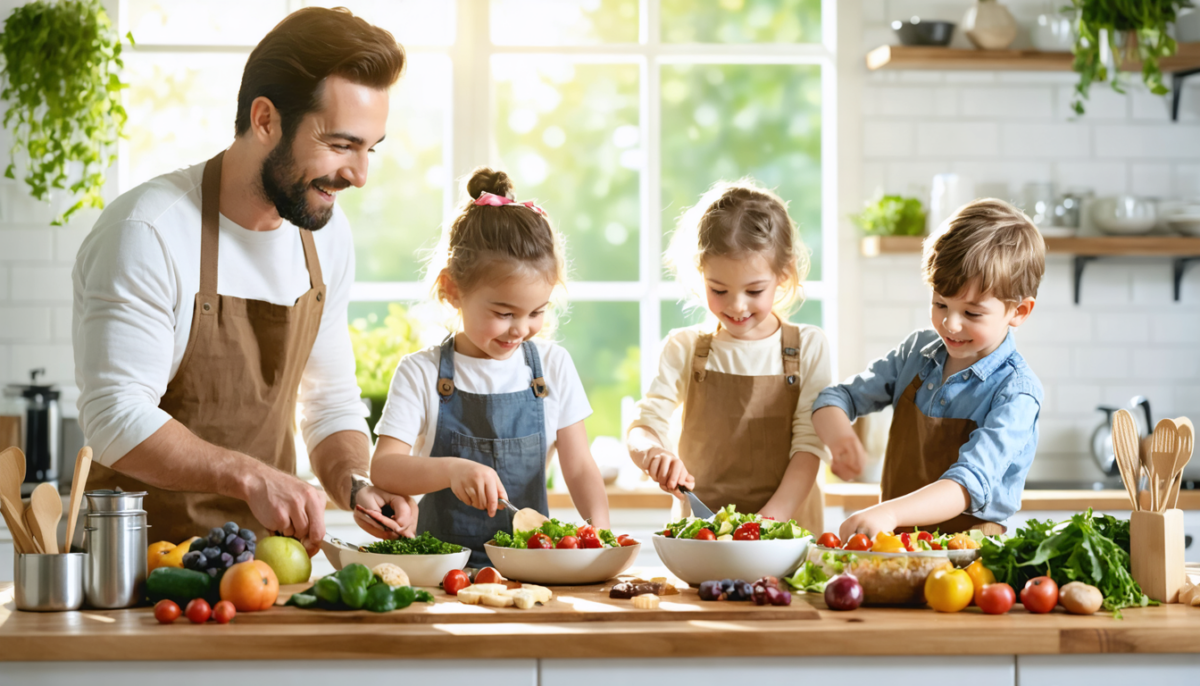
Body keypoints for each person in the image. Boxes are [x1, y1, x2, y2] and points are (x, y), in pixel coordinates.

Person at [72, 7, 416, 554]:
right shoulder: (148, 231)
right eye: (340, 144)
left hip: (264, 572)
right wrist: (252, 477)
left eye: (368, 149)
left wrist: (356, 484)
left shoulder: (324, 234)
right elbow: (114, 418)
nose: (359, 175)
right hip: (140, 572)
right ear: (265, 120)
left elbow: (328, 402)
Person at [369, 167, 611, 566]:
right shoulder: (421, 372)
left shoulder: (552, 366)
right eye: (504, 312)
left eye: (536, 312)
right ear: (452, 290)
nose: (521, 328)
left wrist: (600, 534)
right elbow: (385, 469)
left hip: (531, 569)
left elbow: (580, 466)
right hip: (444, 572)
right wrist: (451, 470)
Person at [812, 198, 1045, 540]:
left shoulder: (1017, 392)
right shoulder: (916, 354)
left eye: (972, 313)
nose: (950, 324)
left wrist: (889, 511)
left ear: (1019, 312)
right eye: (940, 304)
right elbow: (837, 397)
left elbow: (968, 483)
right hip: (894, 550)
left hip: (968, 563)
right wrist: (840, 436)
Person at [626, 179, 830, 533]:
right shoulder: (684, 348)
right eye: (718, 289)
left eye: (754, 290)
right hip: (704, 538)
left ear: (783, 274)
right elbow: (643, 427)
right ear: (700, 274)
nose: (736, 306)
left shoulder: (809, 347)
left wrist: (764, 526)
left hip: (787, 535)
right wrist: (652, 453)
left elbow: (809, 446)